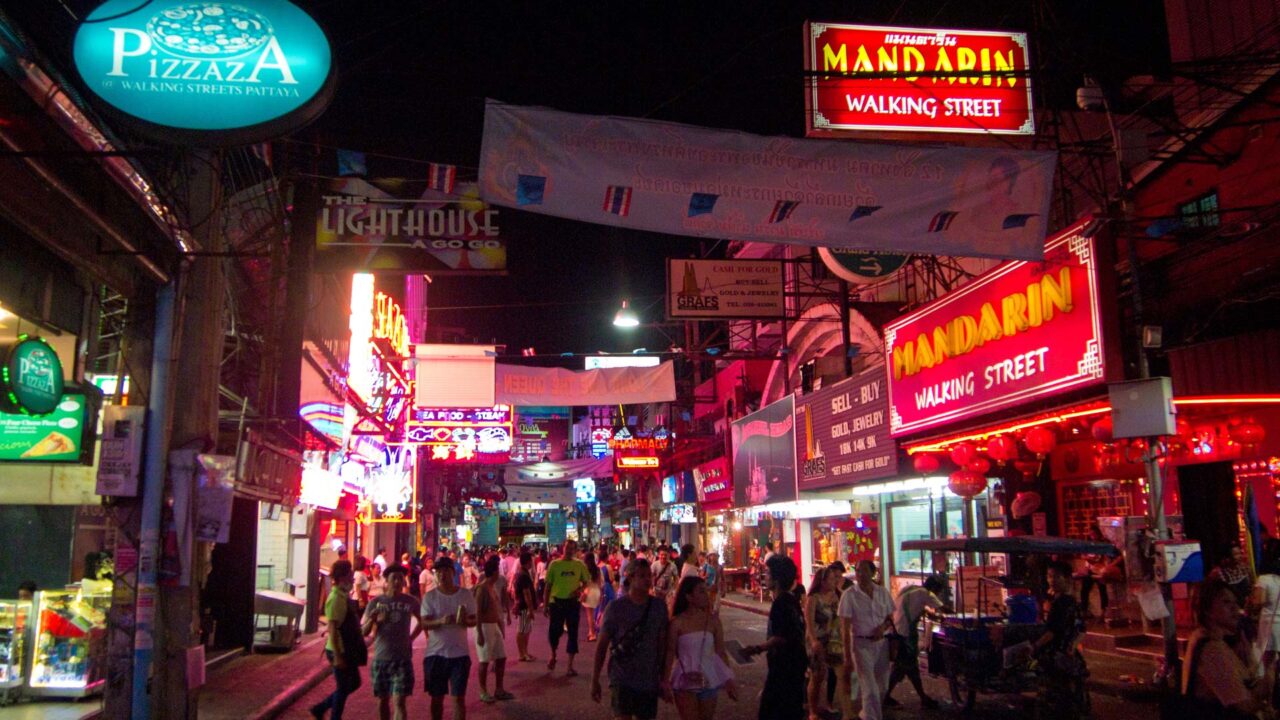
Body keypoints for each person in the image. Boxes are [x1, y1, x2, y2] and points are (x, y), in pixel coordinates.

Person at [591, 559, 670, 720]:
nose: (648, 580)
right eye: (642, 576)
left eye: (649, 575)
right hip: (621, 677)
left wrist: (663, 678)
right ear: (630, 578)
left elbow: (663, 646)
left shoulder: (658, 607)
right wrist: (595, 679)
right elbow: (602, 645)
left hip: (648, 678)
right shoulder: (615, 608)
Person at [1182, 578, 1273, 717]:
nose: (1235, 608)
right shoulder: (1211, 649)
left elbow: (1246, 682)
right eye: (1226, 602)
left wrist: (1249, 659)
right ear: (1207, 609)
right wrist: (1271, 677)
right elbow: (1245, 706)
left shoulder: (1214, 641)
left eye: (1236, 603)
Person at [663, 576, 737, 720]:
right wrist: (665, 681)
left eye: (706, 590)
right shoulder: (677, 623)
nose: (706, 595)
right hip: (684, 680)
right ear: (689, 597)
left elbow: (720, 652)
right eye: (701, 591)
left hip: (708, 679)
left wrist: (729, 678)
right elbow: (670, 652)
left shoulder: (713, 622)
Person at [744, 555, 807, 720]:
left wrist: (757, 648)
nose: (765, 576)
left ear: (777, 579)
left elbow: (781, 636)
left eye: (768, 572)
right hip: (794, 665)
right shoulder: (791, 601)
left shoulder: (781, 604)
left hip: (784, 666)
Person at [361, 565, 423, 720]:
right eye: (393, 578)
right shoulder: (376, 603)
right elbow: (364, 631)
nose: (397, 581)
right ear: (386, 581)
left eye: (400, 578)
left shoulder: (411, 601)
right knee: (382, 701)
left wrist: (411, 638)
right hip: (381, 658)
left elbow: (423, 621)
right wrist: (373, 619)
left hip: (402, 659)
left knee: (399, 701)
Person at [420, 556, 477, 720]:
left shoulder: (465, 595)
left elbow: (475, 619)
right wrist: (440, 621)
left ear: (453, 572)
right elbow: (424, 622)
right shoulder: (430, 597)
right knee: (436, 699)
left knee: (458, 698)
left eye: (445, 571)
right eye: (438, 572)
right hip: (435, 654)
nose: (441, 575)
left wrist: (465, 621)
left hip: (459, 655)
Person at [1032, 559, 1090, 720]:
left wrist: (1034, 647)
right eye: (1049, 576)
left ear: (1067, 579)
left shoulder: (1061, 603)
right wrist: (1072, 646)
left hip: (1056, 659)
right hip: (1070, 659)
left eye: (1056, 576)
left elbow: (1052, 632)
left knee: (1053, 701)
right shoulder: (1072, 602)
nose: (1051, 580)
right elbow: (1082, 630)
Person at [310, 560, 366, 720]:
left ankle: (320, 708)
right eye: (349, 573)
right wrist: (337, 656)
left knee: (353, 683)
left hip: (347, 648)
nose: (352, 576)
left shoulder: (343, 596)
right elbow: (333, 630)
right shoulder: (335, 598)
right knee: (343, 688)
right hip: (339, 649)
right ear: (342, 576)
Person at [839, 560, 894, 720]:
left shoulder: (882, 592)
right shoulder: (849, 595)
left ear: (873, 572)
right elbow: (845, 627)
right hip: (861, 645)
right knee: (869, 688)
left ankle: (866, 714)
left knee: (882, 686)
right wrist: (848, 656)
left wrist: (882, 628)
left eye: (863, 571)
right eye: (857, 571)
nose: (860, 575)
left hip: (881, 644)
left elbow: (891, 617)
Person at [884, 574, 947, 709]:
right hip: (906, 633)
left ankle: (921, 697)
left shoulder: (909, 588)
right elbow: (944, 609)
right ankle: (888, 696)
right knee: (905, 666)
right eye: (939, 590)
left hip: (896, 629)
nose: (938, 593)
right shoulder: (926, 594)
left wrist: (926, 612)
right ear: (934, 588)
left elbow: (910, 605)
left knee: (906, 666)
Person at [544, 539, 590, 675]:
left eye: (572, 549)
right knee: (555, 632)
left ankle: (570, 666)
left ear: (575, 551)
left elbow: (586, 582)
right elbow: (548, 586)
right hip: (556, 602)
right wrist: (545, 604)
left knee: (573, 634)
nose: (569, 551)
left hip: (572, 602)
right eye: (567, 548)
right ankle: (553, 654)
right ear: (562, 549)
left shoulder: (580, 565)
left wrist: (581, 591)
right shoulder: (554, 565)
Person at [805, 564, 843, 720]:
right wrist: (814, 641)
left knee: (836, 673)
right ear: (823, 581)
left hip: (833, 640)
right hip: (817, 640)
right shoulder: (813, 599)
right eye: (832, 578)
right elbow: (809, 622)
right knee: (817, 675)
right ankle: (812, 711)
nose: (836, 581)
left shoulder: (836, 596)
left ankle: (828, 703)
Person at [474, 555, 514, 703]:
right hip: (484, 626)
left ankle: (499, 689)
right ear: (494, 572)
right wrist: (479, 632)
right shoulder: (482, 588)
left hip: (494, 625)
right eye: (497, 571)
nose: (499, 574)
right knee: (484, 660)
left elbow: (499, 605)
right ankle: (483, 691)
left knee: (501, 657)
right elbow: (477, 611)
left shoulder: (491, 587)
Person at [514, 551, 538, 662]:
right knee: (522, 630)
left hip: (524, 606)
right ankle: (522, 653)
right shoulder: (523, 575)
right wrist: (531, 609)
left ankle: (525, 652)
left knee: (526, 629)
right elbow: (526, 593)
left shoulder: (523, 573)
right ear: (528, 562)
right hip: (524, 607)